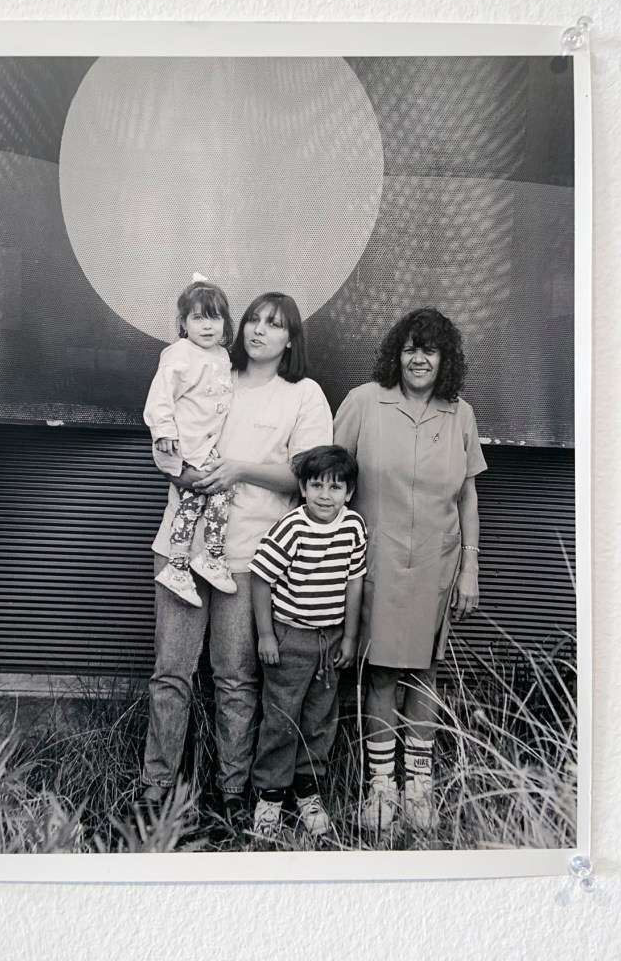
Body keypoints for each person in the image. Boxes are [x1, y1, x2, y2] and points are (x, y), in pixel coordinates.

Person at [140, 292, 333, 820]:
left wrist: (240, 469)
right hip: (182, 546)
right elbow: (167, 433)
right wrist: (176, 468)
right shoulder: (213, 371)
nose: (259, 331)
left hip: (250, 557)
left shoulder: (303, 395)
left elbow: (308, 476)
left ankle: (232, 793)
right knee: (171, 673)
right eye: (253, 320)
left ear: (290, 338)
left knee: (236, 677)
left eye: (274, 325)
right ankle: (154, 792)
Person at [333, 307, 487, 836]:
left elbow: (468, 495)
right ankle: (381, 790)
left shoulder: (459, 413)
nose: (418, 358)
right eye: (410, 348)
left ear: (444, 359)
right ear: (396, 354)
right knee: (380, 671)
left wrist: (470, 567)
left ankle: (418, 786)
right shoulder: (364, 402)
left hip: (437, 562)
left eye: (430, 350)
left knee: (425, 670)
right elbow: (331, 477)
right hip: (375, 559)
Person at [250, 445, 366, 838]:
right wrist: (266, 634)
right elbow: (261, 577)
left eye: (335, 488)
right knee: (282, 718)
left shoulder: (353, 527)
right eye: (316, 485)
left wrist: (349, 636)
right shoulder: (291, 527)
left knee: (320, 718)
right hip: (290, 637)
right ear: (302, 487)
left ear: (348, 493)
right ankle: (270, 795)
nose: (324, 495)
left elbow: (354, 582)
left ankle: (308, 790)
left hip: (330, 639)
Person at [143, 276, 237, 607]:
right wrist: (164, 431)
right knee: (204, 495)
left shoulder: (222, 356)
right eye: (198, 318)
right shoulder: (179, 353)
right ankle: (191, 562)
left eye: (214, 318)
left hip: (203, 446)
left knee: (207, 498)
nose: (207, 326)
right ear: (183, 323)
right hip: (181, 446)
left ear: (225, 322)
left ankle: (195, 561)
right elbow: (160, 397)